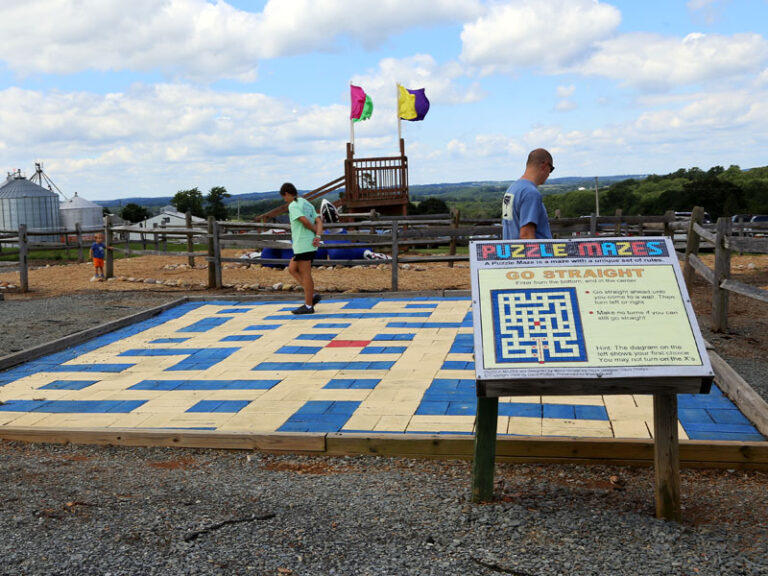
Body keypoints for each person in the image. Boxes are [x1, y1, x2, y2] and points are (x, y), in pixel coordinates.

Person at [280, 182, 323, 314]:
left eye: (284, 197)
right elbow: (319, 220)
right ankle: (311, 295)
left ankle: (308, 306)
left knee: (305, 274)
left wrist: (314, 230)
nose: (284, 200)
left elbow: (304, 221)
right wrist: (318, 235)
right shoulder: (306, 202)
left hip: (303, 244)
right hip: (308, 244)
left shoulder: (293, 206)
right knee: (292, 269)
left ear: (287, 194)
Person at [502, 148, 555, 240]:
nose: (549, 174)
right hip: (530, 253)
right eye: (551, 169)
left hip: (511, 252)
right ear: (545, 165)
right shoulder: (530, 193)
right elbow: (526, 235)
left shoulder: (511, 189)